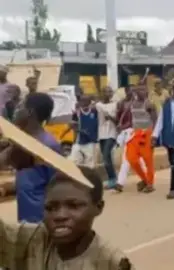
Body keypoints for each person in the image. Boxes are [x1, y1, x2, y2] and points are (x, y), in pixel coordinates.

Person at [0, 166, 133, 269]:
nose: (60, 216)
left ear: (98, 207)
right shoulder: (33, 240)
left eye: (74, 206)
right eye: (51, 208)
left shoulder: (111, 262)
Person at [0, 92, 61, 223]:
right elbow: (34, 181)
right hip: (28, 219)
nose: (16, 110)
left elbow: (56, 186)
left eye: (20, 106)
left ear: (29, 112)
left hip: (41, 221)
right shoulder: (25, 142)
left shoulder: (44, 145)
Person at [126, 85, 157, 193]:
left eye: (144, 89)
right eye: (140, 89)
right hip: (135, 134)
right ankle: (145, 179)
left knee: (148, 161)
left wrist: (154, 136)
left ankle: (150, 184)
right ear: (136, 91)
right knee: (131, 158)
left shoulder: (149, 104)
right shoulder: (132, 104)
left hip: (147, 134)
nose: (142, 92)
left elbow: (155, 120)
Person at [65, 94, 99, 168]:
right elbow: (72, 125)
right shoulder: (77, 113)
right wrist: (80, 130)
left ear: (89, 102)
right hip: (79, 141)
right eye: (82, 100)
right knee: (73, 161)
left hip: (91, 141)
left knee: (90, 165)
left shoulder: (95, 111)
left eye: (85, 101)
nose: (83, 102)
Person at [95, 86, 118, 189]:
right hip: (101, 134)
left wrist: (110, 117)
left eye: (110, 92)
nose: (108, 94)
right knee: (106, 158)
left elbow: (117, 120)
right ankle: (112, 178)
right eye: (106, 92)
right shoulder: (98, 105)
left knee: (106, 156)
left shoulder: (115, 105)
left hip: (112, 134)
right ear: (102, 93)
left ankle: (113, 178)